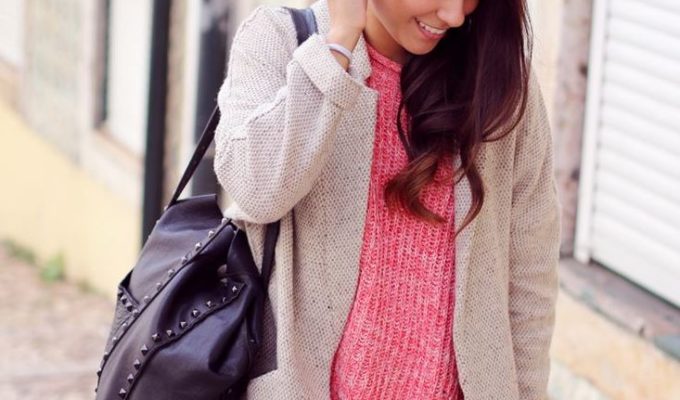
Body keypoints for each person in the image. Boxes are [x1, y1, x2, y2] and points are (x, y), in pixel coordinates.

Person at [213, 0, 562, 399]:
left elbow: (529, 277)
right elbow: (256, 190)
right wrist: (337, 49)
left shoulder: (501, 83)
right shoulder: (280, 39)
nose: (455, 15)